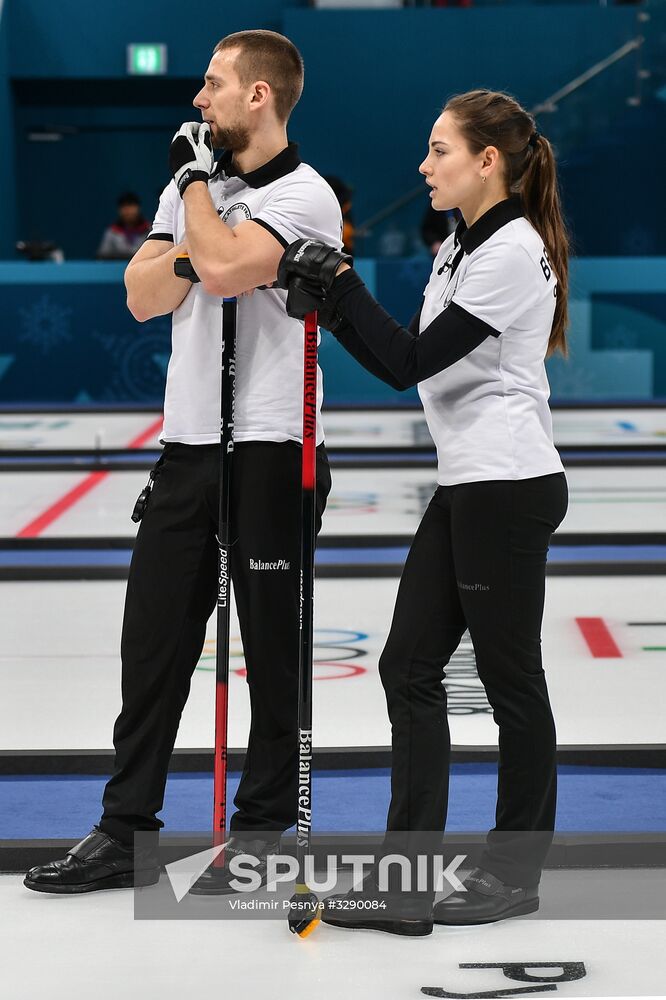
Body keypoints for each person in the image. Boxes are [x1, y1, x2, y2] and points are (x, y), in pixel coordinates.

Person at [24, 29, 341, 896]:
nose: (196, 100)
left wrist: (200, 215)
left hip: (273, 446)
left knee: (275, 653)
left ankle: (264, 830)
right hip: (191, 445)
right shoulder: (191, 186)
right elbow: (141, 293)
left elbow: (231, 270)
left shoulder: (306, 195)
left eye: (212, 84)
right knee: (153, 645)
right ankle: (126, 828)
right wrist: (200, 235)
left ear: (259, 97)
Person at [279, 89, 570, 936]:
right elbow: (406, 362)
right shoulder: (459, 245)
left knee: (511, 683)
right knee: (408, 668)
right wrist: (333, 305)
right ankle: (406, 882)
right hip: (470, 484)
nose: (423, 165)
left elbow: (410, 362)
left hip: (505, 487)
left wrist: (340, 285)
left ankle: (515, 872)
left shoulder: (511, 252)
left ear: (488, 162)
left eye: (439, 150)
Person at [96, 192, 151, 259]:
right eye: (125, 207)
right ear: (119, 210)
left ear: (139, 208)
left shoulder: (150, 230)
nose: (129, 211)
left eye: (132, 206)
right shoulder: (112, 232)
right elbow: (102, 256)